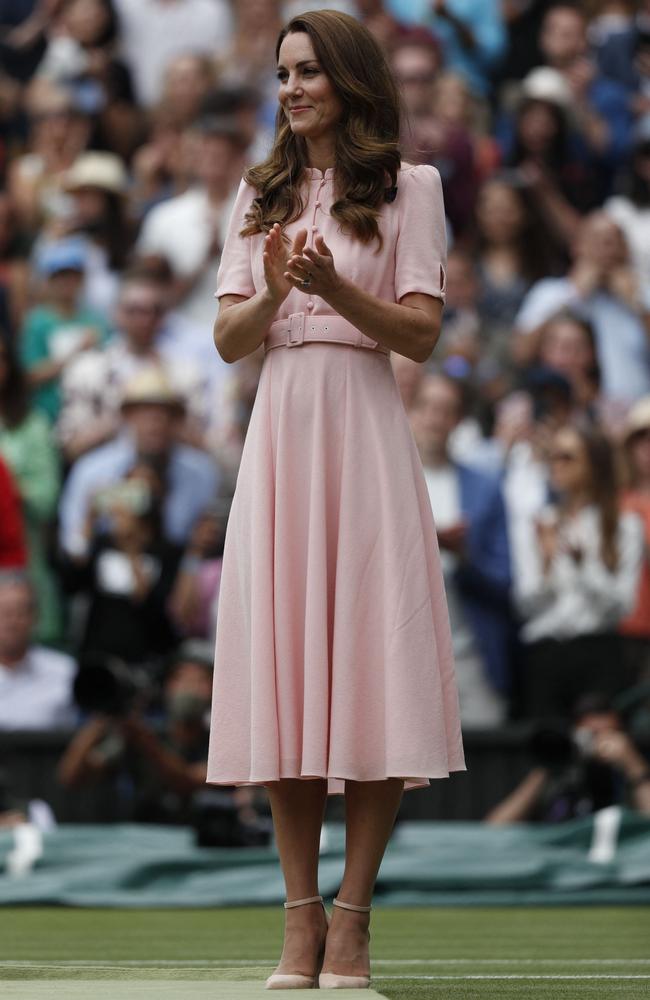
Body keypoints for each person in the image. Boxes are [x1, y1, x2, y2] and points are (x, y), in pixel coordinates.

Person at [206, 10, 465, 991]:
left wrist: (331, 291)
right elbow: (229, 339)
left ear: (349, 79)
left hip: (361, 433)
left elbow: (419, 335)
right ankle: (297, 918)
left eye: (308, 70)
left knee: (367, 671)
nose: (291, 88)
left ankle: (352, 919)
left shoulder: (411, 188)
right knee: (282, 674)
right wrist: (278, 294)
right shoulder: (258, 189)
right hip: (279, 439)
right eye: (281, 73)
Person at [511, 422, 644, 719]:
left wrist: (584, 566)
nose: (556, 466)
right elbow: (525, 605)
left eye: (568, 457)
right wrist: (546, 565)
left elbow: (622, 606)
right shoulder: (539, 524)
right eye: (554, 456)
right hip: (545, 654)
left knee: (598, 752)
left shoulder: (623, 526)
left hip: (598, 652)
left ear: (594, 464)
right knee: (548, 754)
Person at [410, 373, 513, 725]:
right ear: (411, 410)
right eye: (427, 407)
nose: (435, 419)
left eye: (446, 410)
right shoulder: (386, 480)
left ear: (458, 419)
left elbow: (504, 578)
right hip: (402, 651)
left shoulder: (484, 488)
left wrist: (462, 555)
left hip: (468, 651)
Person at [58, 366, 220, 560]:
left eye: (165, 412)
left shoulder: (201, 473)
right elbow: (71, 546)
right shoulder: (91, 471)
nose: (156, 420)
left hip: (176, 576)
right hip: (101, 575)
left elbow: (205, 544)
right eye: (145, 411)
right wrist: (90, 522)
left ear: (177, 419)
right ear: (127, 416)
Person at [486, 693, 650, 823]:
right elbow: (496, 827)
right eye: (590, 735)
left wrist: (632, 764)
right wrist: (550, 764)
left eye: (608, 734)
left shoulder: (631, 772)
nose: (597, 742)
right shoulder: (562, 773)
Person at [0, 572, 78, 731]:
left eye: (20, 611)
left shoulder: (65, 671)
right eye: (4, 612)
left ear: (35, 617)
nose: (12, 620)